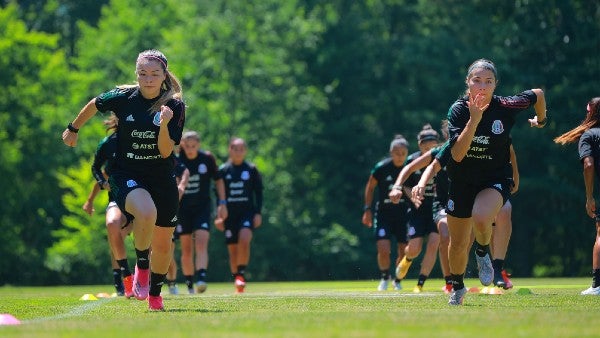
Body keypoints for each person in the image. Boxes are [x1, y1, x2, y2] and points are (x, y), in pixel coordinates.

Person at [62, 49, 186, 311]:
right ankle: (142, 266)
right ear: (136, 74)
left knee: (164, 244)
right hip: (127, 173)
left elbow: (165, 151)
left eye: (154, 74)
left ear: (164, 75)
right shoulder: (123, 97)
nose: (148, 79)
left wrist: (164, 125)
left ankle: (155, 296)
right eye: (143, 73)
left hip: (162, 176)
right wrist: (73, 129)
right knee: (145, 211)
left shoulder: (174, 105)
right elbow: (95, 104)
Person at [441, 58, 546, 305]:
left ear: (495, 85)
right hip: (462, 180)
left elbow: (538, 95)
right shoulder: (457, 110)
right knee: (457, 244)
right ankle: (457, 287)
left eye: (488, 81)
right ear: (468, 83)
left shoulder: (507, 105)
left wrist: (540, 121)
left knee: (480, 217)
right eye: (477, 80)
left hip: (495, 178)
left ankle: (482, 251)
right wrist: (474, 119)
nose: (482, 86)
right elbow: (457, 154)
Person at [413, 141, 519, 291]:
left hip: (489, 187)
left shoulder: (493, 132)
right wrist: (418, 184)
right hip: (463, 191)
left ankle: (496, 268)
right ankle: (455, 283)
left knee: (503, 210)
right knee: (460, 242)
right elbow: (431, 165)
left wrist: (515, 177)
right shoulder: (454, 142)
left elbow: (509, 149)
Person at [82, 115, 134, 297]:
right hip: (118, 199)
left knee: (149, 239)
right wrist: (91, 199)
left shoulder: (143, 138)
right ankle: (122, 278)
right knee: (113, 227)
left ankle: (146, 280)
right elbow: (97, 169)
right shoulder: (107, 143)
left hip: (144, 199)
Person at [554, 97, 600, 295]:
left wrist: (589, 196)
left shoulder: (589, 136)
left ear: (589, 111)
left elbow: (588, 165)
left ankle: (597, 286)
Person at [388, 125, 441, 293]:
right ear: (419, 146)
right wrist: (413, 196)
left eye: (433, 148)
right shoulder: (413, 160)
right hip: (417, 211)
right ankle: (406, 261)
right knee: (415, 248)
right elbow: (405, 185)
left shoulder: (442, 159)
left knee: (434, 244)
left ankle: (420, 284)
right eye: (426, 149)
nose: (429, 152)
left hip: (437, 208)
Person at [175, 131, 227, 294]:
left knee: (202, 241)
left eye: (193, 146)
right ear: (182, 145)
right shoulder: (177, 160)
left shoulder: (207, 159)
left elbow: (218, 180)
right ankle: (189, 282)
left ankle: (202, 277)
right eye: (187, 146)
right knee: (186, 248)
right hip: (182, 209)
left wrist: (222, 203)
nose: (190, 149)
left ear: (199, 144)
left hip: (202, 207)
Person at [362, 135, 410, 291]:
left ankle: (397, 280)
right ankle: (384, 277)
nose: (400, 156)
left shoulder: (411, 168)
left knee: (403, 251)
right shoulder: (381, 168)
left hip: (404, 215)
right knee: (383, 248)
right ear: (391, 152)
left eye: (403, 153)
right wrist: (367, 209)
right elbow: (370, 187)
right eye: (397, 153)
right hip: (384, 215)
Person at [215, 137, 263, 293]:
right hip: (229, 215)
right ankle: (237, 279)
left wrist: (258, 213)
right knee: (233, 250)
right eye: (235, 149)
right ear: (230, 150)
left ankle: (241, 275)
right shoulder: (223, 170)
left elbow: (259, 193)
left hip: (247, 213)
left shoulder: (251, 169)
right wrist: (219, 215)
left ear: (245, 151)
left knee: (244, 239)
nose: (238, 152)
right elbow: (218, 195)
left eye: (241, 149)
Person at [166, 151, 190, 294]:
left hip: (167, 211)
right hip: (148, 209)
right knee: (148, 249)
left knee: (167, 251)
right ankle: (147, 283)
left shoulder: (171, 157)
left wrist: (181, 186)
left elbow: (185, 171)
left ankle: (172, 282)